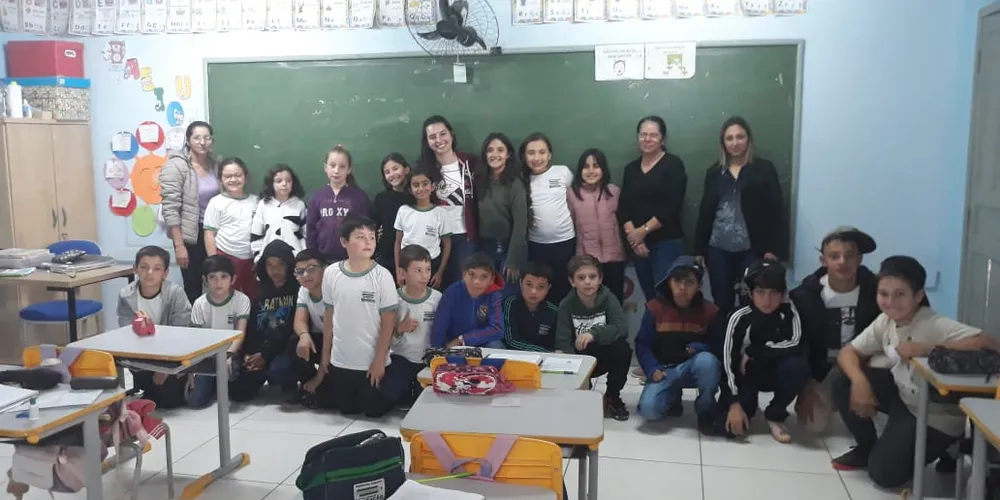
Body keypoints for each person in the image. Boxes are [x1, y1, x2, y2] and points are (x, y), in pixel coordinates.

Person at [830, 256, 999, 487]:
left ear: (918, 296)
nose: (890, 302)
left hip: (934, 413)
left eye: (900, 294)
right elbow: (847, 352)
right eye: (884, 294)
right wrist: (860, 381)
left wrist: (927, 348)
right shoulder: (885, 321)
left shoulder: (932, 323)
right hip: (904, 397)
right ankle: (866, 447)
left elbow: (989, 342)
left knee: (883, 474)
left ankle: (952, 444)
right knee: (842, 379)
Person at [790, 227, 881, 432]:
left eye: (849, 256)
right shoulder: (805, 296)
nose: (842, 262)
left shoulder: (877, 291)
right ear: (823, 261)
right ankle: (836, 400)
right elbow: (799, 344)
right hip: (823, 367)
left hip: (862, 363)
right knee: (813, 426)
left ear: (860, 259)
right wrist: (805, 386)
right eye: (834, 256)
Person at [694, 116, 786, 313]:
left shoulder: (764, 169)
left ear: (748, 139)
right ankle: (726, 341)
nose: (735, 143)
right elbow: (706, 212)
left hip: (752, 247)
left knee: (751, 300)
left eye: (740, 137)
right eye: (729, 138)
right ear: (723, 143)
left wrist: (774, 248)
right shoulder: (714, 173)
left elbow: (776, 210)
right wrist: (699, 249)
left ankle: (747, 342)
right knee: (721, 301)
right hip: (718, 247)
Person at [310, 215, 398, 417]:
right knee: (346, 410)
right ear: (344, 242)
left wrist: (379, 360)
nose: (368, 242)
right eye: (360, 237)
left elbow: (388, 322)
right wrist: (326, 355)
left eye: (372, 237)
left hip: (370, 362)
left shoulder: (382, 275)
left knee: (373, 411)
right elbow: (329, 315)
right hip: (341, 360)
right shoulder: (332, 273)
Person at [717, 258, 810, 443]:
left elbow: (795, 343)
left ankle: (775, 414)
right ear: (751, 293)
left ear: (782, 293)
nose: (767, 300)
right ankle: (748, 405)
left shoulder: (789, 310)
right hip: (747, 375)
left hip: (775, 372)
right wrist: (734, 402)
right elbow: (727, 361)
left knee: (797, 366)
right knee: (728, 430)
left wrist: (754, 351)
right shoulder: (739, 316)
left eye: (774, 293)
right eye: (760, 292)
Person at [635, 256, 721, 433]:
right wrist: (652, 369)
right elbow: (642, 344)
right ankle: (672, 398)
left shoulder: (710, 311)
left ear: (699, 285)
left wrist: (699, 348)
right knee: (650, 411)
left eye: (689, 282)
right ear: (669, 282)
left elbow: (719, 345)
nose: (682, 288)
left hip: (694, 366)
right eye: (677, 281)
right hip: (665, 370)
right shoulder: (654, 308)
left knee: (707, 361)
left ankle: (705, 410)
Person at [618, 116, 687, 304]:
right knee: (651, 302)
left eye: (653, 135)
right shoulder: (630, 169)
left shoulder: (673, 165)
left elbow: (672, 205)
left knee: (667, 299)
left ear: (662, 139)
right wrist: (634, 238)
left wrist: (643, 231)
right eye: (643, 134)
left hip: (666, 243)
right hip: (639, 247)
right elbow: (623, 206)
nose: (647, 139)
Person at [555, 254, 632, 421]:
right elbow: (563, 341)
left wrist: (593, 334)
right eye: (581, 278)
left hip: (604, 355)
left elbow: (621, 328)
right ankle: (583, 394)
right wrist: (576, 375)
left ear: (600, 278)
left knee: (623, 349)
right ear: (572, 281)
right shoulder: (566, 305)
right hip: (580, 359)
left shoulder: (609, 298)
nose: (588, 282)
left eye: (592, 277)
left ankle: (612, 396)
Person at [116, 245, 192, 409]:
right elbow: (126, 332)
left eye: (156, 268)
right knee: (150, 393)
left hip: (172, 355)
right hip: (143, 354)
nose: (149, 273)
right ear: (135, 269)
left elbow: (182, 334)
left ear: (165, 273)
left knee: (169, 401)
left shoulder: (175, 293)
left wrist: (164, 369)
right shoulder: (126, 295)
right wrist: (142, 328)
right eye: (144, 267)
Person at [228, 240, 299, 403]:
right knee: (237, 394)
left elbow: (289, 329)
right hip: (260, 350)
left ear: (288, 265)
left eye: (280, 264)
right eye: (269, 265)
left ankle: (288, 384)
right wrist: (248, 354)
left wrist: (265, 355)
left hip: (281, 350)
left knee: (280, 367)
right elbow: (251, 326)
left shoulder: (297, 291)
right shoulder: (259, 291)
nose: (275, 270)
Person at [159, 120, 221, 303]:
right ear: (188, 140)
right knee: (193, 289)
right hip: (191, 237)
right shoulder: (176, 166)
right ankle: (195, 330)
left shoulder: (217, 163)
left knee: (218, 284)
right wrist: (179, 245)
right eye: (197, 138)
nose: (202, 142)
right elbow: (170, 208)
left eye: (207, 138)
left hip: (216, 232)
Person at [418, 115, 478, 287]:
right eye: (432, 137)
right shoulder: (424, 169)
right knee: (436, 287)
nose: (439, 140)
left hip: (465, 236)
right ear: (427, 141)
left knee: (463, 287)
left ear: (451, 134)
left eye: (442, 134)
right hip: (434, 239)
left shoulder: (469, 163)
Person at [381, 245, 442, 408]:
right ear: (402, 273)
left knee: (434, 401)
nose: (424, 276)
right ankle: (408, 389)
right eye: (418, 271)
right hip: (402, 358)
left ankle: (416, 388)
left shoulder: (438, 298)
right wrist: (400, 328)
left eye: (427, 270)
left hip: (430, 360)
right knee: (389, 393)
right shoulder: (393, 299)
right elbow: (383, 337)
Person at [187, 256, 252, 408]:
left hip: (231, 353)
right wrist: (191, 373)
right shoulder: (200, 304)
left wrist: (227, 356)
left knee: (237, 393)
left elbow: (240, 333)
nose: (218, 282)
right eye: (212, 277)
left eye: (224, 277)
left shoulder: (241, 300)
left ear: (233, 279)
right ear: (205, 280)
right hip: (206, 356)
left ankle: (220, 382)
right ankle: (212, 383)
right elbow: (195, 340)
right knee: (195, 401)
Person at [567, 148, 627, 304]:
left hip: (614, 259)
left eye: (596, 166)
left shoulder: (615, 192)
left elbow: (623, 223)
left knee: (614, 304)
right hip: (586, 262)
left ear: (603, 169)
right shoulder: (572, 195)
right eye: (586, 166)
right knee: (589, 307)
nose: (591, 171)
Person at [522, 133, 576, 303]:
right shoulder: (521, 180)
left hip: (565, 242)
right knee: (540, 293)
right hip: (536, 245)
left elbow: (576, 202)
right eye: (531, 153)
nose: (537, 157)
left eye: (542, 152)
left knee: (564, 289)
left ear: (550, 154)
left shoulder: (563, 172)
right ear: (524, 156)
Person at [476, 133, 529, 290]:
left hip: (510, 248)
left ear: (508, 154)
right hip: (486, 248)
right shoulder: (480, 181)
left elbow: (521, 223)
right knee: (488, 295)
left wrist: (513, 259)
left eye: (500, 150)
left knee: (508, 296)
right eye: (490, 150)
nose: (495, 154)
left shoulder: (515, 183)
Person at [203, 157, 260, 300]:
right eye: (228, 176)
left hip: (251, 261)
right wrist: (214, 264)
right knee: (225, 299)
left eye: (238, 175)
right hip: (225, 257)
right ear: (220, 180)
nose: (233, 179)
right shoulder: (216, 203)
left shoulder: (257, 201)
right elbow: (209, 234)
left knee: (252, 300)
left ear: (245, 177)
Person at [306, 146, 372, 264]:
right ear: (326, 168)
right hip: (323, 260)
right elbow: (311, 230)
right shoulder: (317, 197)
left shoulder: (359, 197)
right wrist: (313, 258)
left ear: (349, 169)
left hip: (352, 259)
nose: (336, 171)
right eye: (332, 165)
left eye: (342, 166)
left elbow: (366, 229)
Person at [430, 252, 505, 349]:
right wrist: (438, 350)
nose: (476, 281)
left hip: (481, 343)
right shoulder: (452, 292)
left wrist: (464, 339)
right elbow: (439, 326)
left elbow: (497, 329)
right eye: (472, 275)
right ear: (464, 275)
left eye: (484, 277)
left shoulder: (494, 295)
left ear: (491, 280)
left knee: (496, 345)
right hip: (453, 345)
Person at [393, 168, 452, 288]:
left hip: (431, 265)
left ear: (432, 186)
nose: (421, 189)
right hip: (407, 264)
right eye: (416, 185)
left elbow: (447, 244)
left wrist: (440, 272)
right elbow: (398, 242)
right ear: (410, 189)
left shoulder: (440, 213)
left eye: (425, 184)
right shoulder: (404, 210)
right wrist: (399, 269)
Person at [289, 249, 328, 408]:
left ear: (325, 269)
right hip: (322, 341)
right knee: (295, 342)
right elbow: (299, 321)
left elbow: (337, 336)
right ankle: (308, 385)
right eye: (299, 271)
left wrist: (319, 377)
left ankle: (319, 383)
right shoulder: (304, 290)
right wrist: (304, 335)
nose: (305, 275)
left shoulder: (334, 290)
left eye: (311, 269)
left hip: (342, 345)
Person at [250, 164, 307, 263]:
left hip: (295, 258)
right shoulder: (263, 205)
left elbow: (306, 234)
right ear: (271, 183)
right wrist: (258, 257)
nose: (284, 184)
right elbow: (256, 236)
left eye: (288, 180)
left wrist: (304, 256)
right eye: (279, 181)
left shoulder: (300, 205)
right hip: (269, 260)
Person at [503, 261, 558, 352]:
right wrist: (542, 351)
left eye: (540, 287)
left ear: (548, 288)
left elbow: (555, 344)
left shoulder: (553, 311)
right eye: (529, 285)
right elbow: (510, 341)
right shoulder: (510, 303)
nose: (533, 291)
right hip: (515, 355)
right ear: (521, 283)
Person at [373, 153, 412, 277]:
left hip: (412, 255)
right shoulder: (381, 198)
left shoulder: (416, 197)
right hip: (386, 255)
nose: (392, 174)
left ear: (406, 169)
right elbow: (373, 225)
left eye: (395, 168)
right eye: (387, 172)